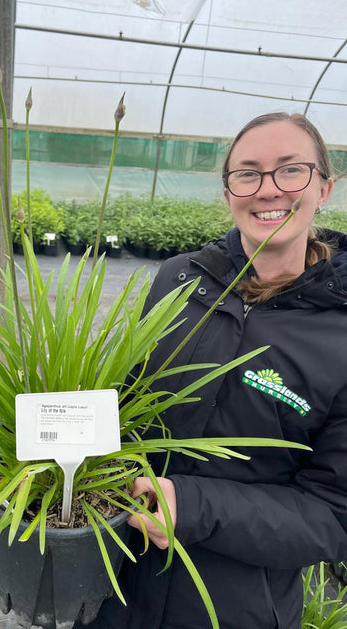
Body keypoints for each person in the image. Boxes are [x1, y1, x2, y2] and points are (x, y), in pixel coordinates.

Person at [88, 112, 347, 628]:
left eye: (290, 170)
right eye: (247, 173)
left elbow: (332, 513)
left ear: (324, 188)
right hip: (114, 573)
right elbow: (133, 396)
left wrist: (194, 506)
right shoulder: (179, 278)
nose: (268, 190)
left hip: (232, 605)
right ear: (229, 192)